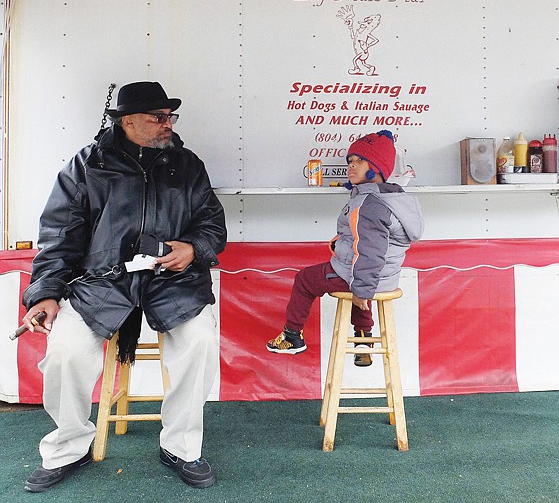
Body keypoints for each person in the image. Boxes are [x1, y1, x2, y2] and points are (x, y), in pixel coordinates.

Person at [21, 81, 227, 492]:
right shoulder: (86, 165)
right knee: (64, 352)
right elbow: (59, 235)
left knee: (200, 341)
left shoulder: (187, 164)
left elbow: (212, 225)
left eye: (170, 116)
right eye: (158, 117)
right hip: (102, 283)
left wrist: (192, 248)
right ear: (127, 120)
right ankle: (68, 447)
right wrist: (44, 293)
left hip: (175, 282)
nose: (168, 124)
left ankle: (182, 447)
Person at [266, 130, 424, 365]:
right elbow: (367, 244)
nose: (352, 166)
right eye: (350, 161)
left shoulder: (369, 204)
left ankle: (292, 336)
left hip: (367, 278)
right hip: (385, 277)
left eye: (360, 161)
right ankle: (363, 339)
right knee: (357, 275)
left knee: (306, 279)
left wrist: (362, 291)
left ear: (377, 168)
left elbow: (370, 253)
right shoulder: (391, 197)